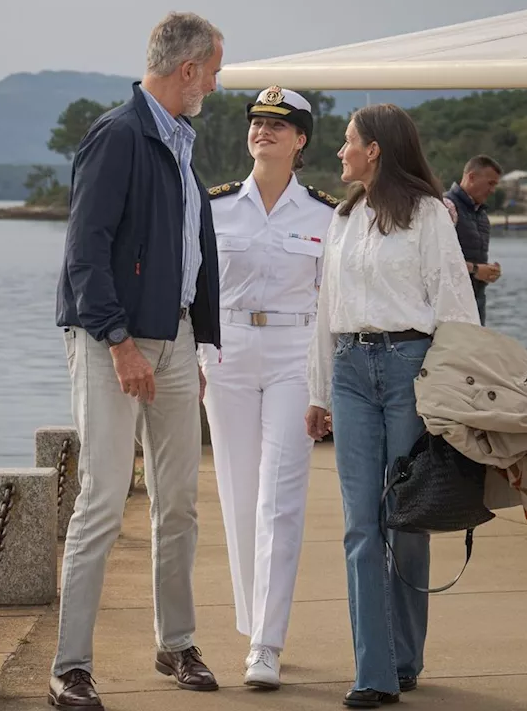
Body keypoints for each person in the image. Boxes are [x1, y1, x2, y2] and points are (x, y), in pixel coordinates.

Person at [51, 11, 224, 711]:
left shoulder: (179, 143)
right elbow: (85, 252)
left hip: (175, 340)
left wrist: (195, 342)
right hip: (111, 341)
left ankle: (176, 645)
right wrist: (120, 342)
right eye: (212, 71)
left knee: (178, 502)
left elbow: (190, 254)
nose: (213, 84)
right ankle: (70, 668)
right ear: (187, 70)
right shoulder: (119, 135)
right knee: (100, 500)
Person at [304, 104, 479, 708]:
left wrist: (456, 397)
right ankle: (373, 671)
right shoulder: (343, 217)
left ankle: (405, 658)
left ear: (375, 148)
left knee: (406, 517)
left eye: (348, 141)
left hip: (411, 369)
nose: (340, 151)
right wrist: (317, 392)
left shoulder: (430, 214)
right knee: (360, 524)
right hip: (351, 370)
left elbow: (456, 303)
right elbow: (327, 309)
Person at [200, 85, 337, 690]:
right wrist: (199, 356)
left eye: (278, 125)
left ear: (301, 139)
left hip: (293, 354)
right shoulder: (214, 207)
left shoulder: (326, 216)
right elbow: (193, 290)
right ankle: (254, 617)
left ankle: (266, 643)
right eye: (257, 122)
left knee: (280, 500)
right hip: (225, 353)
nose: (263, 131)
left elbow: (333, 306)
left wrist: (324, 386)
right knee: (237, 493)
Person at [446, 155, 503, 324]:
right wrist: (477, 270)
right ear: (471, 177)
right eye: (490, 183)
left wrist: (488, 272)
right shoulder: (446, 207)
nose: (493, 190)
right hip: (451, 303)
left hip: (476, 299)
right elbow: (436, 260)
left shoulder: (482, 215)